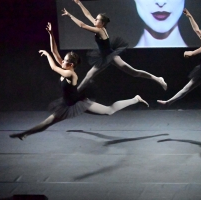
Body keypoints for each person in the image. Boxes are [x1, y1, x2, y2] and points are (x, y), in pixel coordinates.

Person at [9, 22, 149, 140]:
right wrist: (51, 34)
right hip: (67, 104)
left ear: (70, 65)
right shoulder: (66, 67)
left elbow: (53, 67)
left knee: (109, 111)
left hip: (80, 103)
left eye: (64, 61)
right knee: (48, 122)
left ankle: (135, 99)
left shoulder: (70, 74)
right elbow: (55, 52)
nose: (61, 61)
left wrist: (46, 55)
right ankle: (24, 134)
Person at [62, 0, 167, 92]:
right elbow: (88, 15)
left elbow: (82, 25)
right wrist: (79, 3)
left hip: (111, 55)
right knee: (89, 75)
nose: (95, 20)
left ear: (102, 23)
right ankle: (75, 94)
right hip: (104, 57)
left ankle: (158, 78)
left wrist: (70, 15)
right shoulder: (98, 26)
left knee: (134, 72)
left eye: (97, 19)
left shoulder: (100, 30)